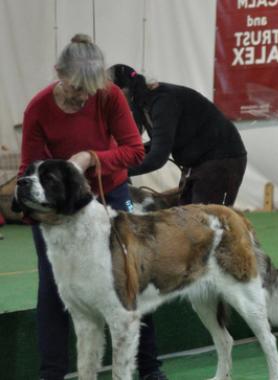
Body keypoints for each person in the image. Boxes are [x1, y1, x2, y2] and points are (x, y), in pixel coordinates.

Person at [17, 35, 166, 380]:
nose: (83, 97)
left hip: (111, 193)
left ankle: (150, 368)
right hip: (60, 208)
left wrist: (91, 157)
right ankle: (52, 373)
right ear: (58, 73)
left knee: (134, 279)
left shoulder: (109, 95)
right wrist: (46, 212)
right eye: (74, 89)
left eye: (89, 90)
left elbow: (135, 151)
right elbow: (31, 168)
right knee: (53, 288)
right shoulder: (37, 110)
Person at [109, 64, 247, 206]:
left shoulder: (163, 101)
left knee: (203, 220)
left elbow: (158, 157)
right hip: (199, 161)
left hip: (222, 158)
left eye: (113, 94)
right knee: (187, 217)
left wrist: (121, 173)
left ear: (124, 90)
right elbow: (145, 145)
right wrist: (116, 165)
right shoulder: (140, 103)